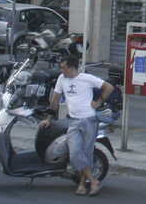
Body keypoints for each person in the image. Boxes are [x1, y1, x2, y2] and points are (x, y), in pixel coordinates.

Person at [39, 55, 114, 196]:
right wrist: (48, 118)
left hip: (89, 120)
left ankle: (82, 184)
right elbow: (55, 100)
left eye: (64, 68)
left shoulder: (86, 78)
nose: (61, 70)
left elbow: (108, 87)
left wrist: (98, 102)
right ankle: (93, 181)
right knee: (74, 154)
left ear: (72, 67)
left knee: (86, 153)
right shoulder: (62, 79)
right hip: (73, 121)